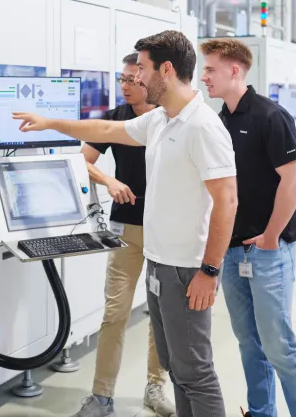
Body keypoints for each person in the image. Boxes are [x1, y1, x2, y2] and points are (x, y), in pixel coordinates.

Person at [14, 30, 239, 417]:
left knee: (195, 373)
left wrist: (210, 270)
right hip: (159, 260)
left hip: (187, 270)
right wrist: (51, 122)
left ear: (166, 70)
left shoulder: (202, 126)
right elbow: (106, 131)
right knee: (178, 370)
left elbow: (227, 201)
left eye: (144, 70)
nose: (136, 79)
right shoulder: (162, 120)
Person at [200, 39, 296, 417]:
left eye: (210, 69)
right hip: (232, 250)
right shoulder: (220, 120)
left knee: (279, 345)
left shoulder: (271, 117)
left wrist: (270, 236)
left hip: (268, 251)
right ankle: (260, 411)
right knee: (249, 343)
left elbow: (294, 180)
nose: (204, 76)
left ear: (235, 71)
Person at [74, 53, 174, 417]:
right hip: (127, 228)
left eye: (134, 78)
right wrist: (109, 179)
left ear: (150, 78)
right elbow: (81, 161)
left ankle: (155, 385)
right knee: (115, 312)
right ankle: (102, 396)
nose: (126, 86)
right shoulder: (117, 118)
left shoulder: (166, 117)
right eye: (122, 79)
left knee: (160, 312)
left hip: (166, 228)